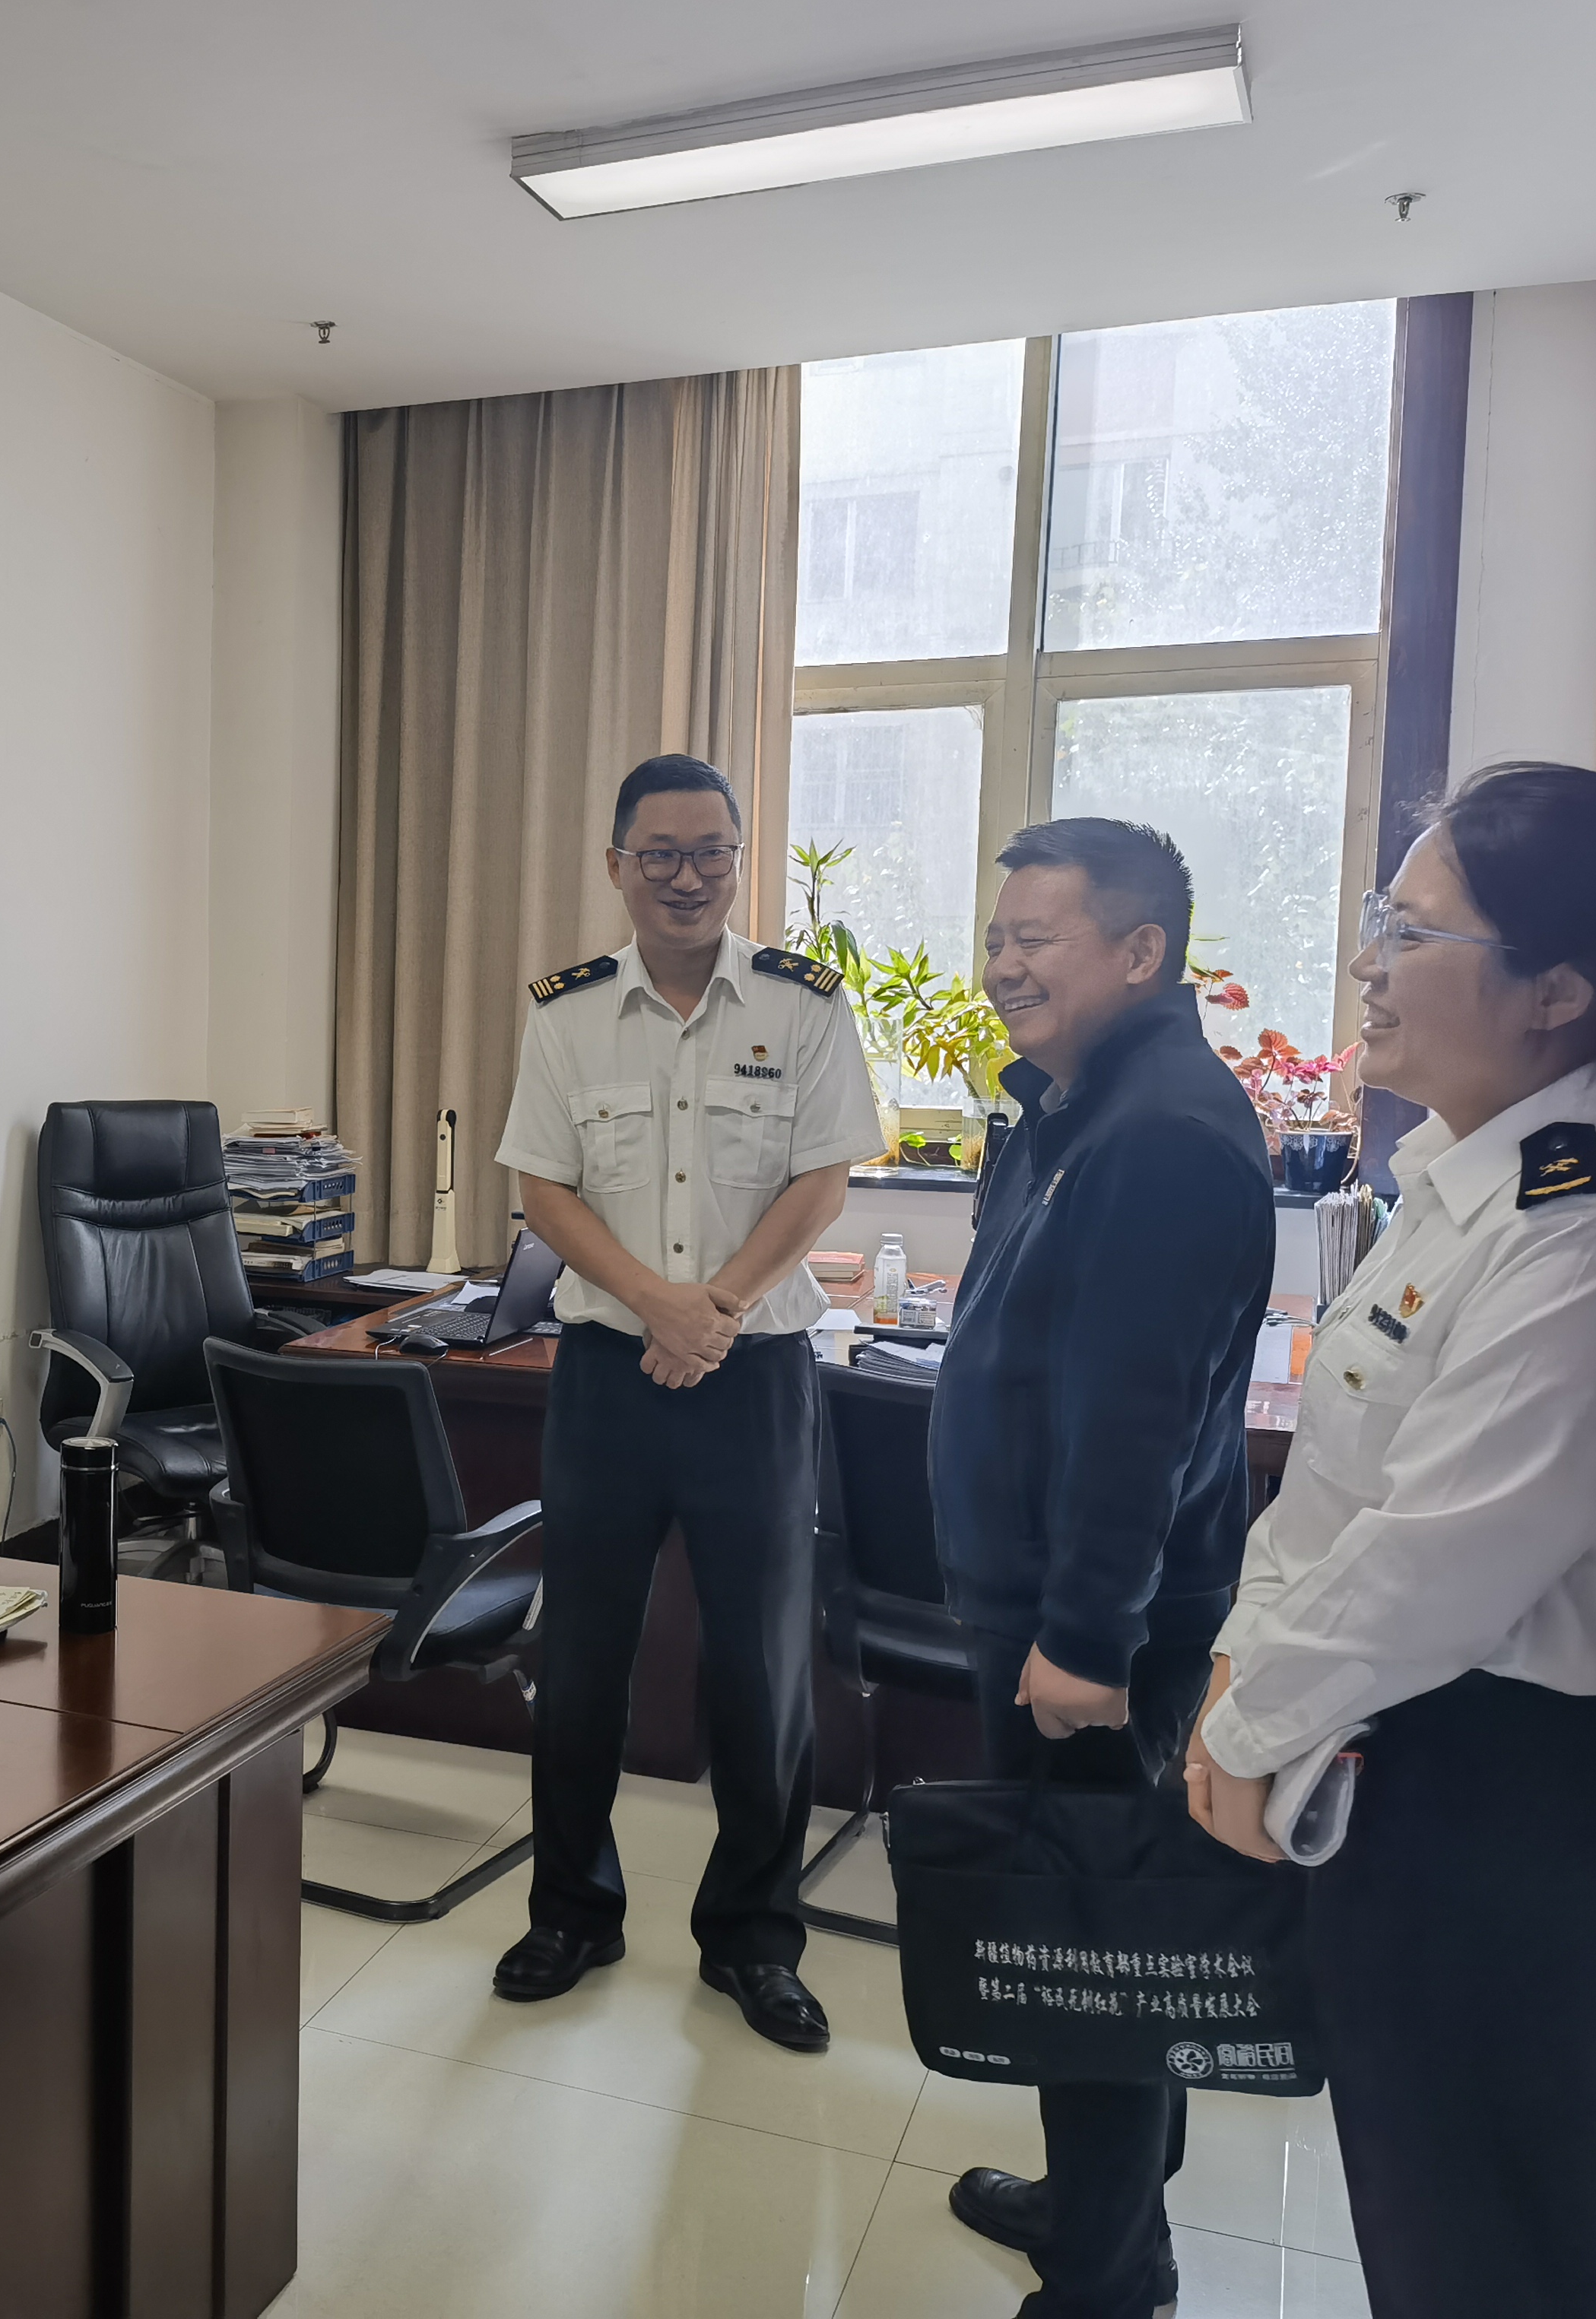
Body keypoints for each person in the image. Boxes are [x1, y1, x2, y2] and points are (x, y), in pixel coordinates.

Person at [1186, 763, 1596, 2319]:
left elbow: (1436, 1559)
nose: (1367, 960)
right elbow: (1334, 1496)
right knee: (1436, 2231)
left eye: (1410, 931)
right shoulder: (1466, 1178)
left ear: (1558, 989)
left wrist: (1245, 1727)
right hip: (1408, 1764)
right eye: (1377, 917)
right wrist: (1238, 1673)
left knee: (1514, 2256)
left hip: (1508, 1806)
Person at [928, 817, 1275, 2319]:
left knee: (1093, 1943)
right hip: (1053, 1602)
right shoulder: (1076, 1104)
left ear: (1138, 953)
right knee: (1086, 1922)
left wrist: (1083, 1637)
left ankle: (1108, 2280)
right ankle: (1098, 2204)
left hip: (1091, 1631)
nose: (1004, 965)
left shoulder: (1162, 1134)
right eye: (996, 938)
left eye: (1037, 939)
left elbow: (1135, 1420)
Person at [490, 752, 886, 2049]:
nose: (686, 876)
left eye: (710, 851)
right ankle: (571, 1912)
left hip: (753, 1375)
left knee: (763, 1669)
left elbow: (823, 1180)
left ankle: (755, 1939)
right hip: (610, 1375)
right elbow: (545, 1191)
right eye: (658, 853)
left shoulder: (802, 1004)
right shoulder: (567, 1014)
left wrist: (712, 1308)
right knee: (580, 1660)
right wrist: (658, 1305)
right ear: (616, 864)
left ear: (737, 859)